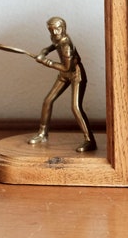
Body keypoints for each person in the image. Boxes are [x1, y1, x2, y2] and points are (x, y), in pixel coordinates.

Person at [28, 16, 97, 152]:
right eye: (51, 30)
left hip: (76, 75)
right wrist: (44, 51)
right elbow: (54, 45)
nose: (54, 33)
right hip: (64, 75)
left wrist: (45, 62)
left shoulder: (66, 45)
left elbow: (67, 67)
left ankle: (90, 141)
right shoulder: (56, 37)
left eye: (57, 29)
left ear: (63, 28)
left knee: (76, 107)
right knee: (48, 100)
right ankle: (42, 134)